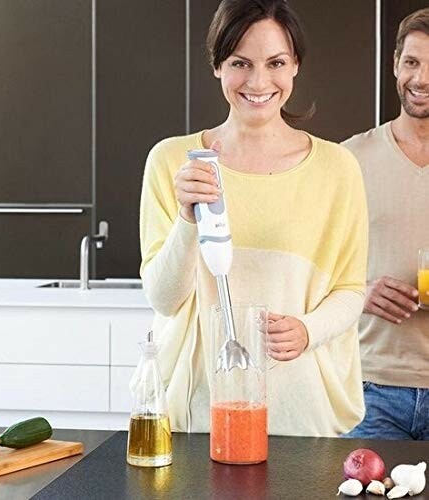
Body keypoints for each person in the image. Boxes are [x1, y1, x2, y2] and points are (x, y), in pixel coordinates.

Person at [139, 0, 368, 436]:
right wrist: (188, 220)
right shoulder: (174, 161)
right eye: (240, 63)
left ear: (295, 65)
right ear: (217, 66)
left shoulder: (337, 168)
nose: (259, 81)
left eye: (276, 62)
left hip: (300, 413)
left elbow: (350, 289)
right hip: (199, 415)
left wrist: (307, 329)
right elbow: (164, 299)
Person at [343, 8, 429, 440]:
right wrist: (361, 291)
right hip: (369, 390)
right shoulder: (349, 160)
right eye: (412, 62)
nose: (421, 78)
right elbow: (313, 269)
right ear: (395, 64)